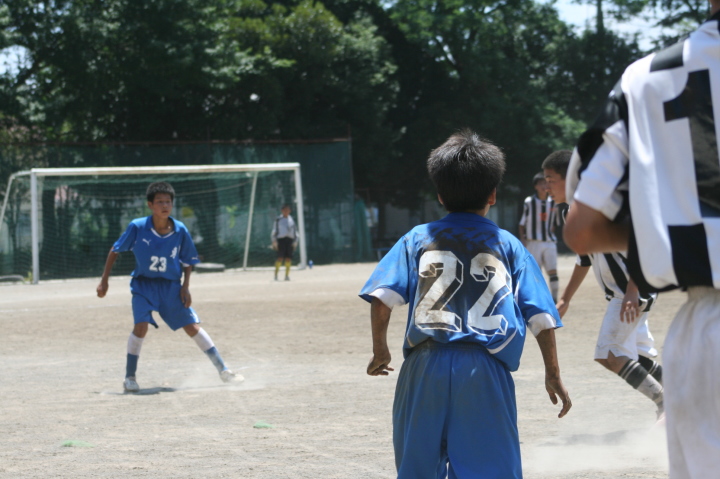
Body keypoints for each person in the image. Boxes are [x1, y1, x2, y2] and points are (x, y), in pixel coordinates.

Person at [563, 3, 720, 476]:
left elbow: (581, 230)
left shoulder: (647, 78)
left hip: (707, 322)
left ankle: (664, 399)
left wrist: (670, 237)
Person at [359, 130, 571, 479]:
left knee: (417, 470)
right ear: (493, 194)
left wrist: (380, 349)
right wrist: (553, 373)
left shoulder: (416, 238)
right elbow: (541, 316)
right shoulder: (509, 245)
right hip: (484, 370)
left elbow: (382, 297)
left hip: (424, 366)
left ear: (440, 196)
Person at [96, 182, 242, 392]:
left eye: (168, 202)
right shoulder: (138, 227)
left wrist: (186, 286)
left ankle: (224, 371)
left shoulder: (180, 230)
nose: (164, 205)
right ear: (150, 205)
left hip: (171, 286)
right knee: (141, 327)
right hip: (143, 285)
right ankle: (130, 377)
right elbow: (115, 250)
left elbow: (188, 260)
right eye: (159, 202)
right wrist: (104, 280)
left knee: (191, 326)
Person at [557, 253, 663, 418]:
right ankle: (682, 389)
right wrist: (565, 299)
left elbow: (640, 252)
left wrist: (632, 290)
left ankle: (665, 403)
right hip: (625, 293)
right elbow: (584, 259)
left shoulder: (608, 231)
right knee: (632, 355)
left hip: (629, 293)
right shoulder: (583, 236)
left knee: (610, 354)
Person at [518, 172, 559, 301]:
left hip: (549, 241)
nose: (544, 186)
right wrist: (523, 240)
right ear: (535, 186)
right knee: (535, 272)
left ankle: (555, 299)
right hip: (533, 241)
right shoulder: (529, 202)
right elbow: (522, 223)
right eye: (541, 183)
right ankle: (538, 299)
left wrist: (548, 233)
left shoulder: (553, 202)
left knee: (552, 271)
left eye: (546, 183)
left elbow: (554, 223)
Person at [542, 150, 572, 223]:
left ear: (569, 178)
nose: (546, 189)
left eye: (550, 181)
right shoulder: (567, 212)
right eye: (546, 182)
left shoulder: (593, 210)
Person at [271, 204, 298, 281]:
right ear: (282, 211)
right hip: (281, 240)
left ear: (290, 211)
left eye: (288, 210)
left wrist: (296, 240)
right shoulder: (278, 220)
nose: (286, 211)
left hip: (289, 240)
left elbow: (295, 231)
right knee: (280, 257)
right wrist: (274, 240)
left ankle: (287, 276)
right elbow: (275, 230)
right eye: (285, 210)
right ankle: (276, 275)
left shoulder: (291, 220)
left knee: (288, 258)